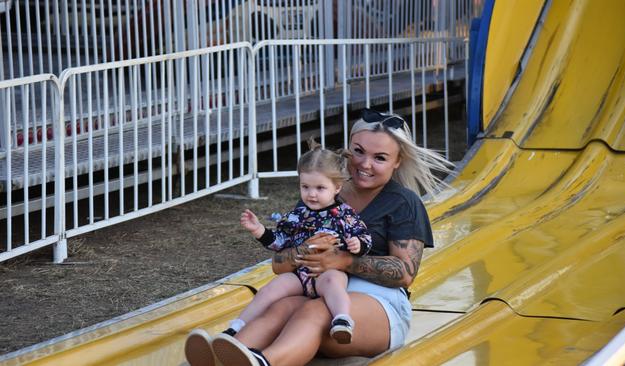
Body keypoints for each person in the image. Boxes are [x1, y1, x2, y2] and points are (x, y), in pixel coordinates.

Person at [184, 108, 452, 366]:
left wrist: (343, 261)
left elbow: (405, 272)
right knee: (282, 307)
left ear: (397, 162)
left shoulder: (403, 202)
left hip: (378, 303)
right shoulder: (322, 193)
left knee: (315, 311)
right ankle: (224, 356)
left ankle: (265, 362)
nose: (365, 164)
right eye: (358, 152)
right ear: (347, 150)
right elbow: (279, 265)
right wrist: (308, 249)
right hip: (316, 289)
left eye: (380, 157)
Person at [225, 141, 372, 344]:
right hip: (299, 273)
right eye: (305, 187)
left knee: (334, 284)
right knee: (271, 289)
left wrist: (358, 244)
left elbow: (364, 236)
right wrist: (259, 231)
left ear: (337, 187)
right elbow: (280, 242)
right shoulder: (296, 215)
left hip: (327, 272)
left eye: (320, 188)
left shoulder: (344, 215)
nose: (311, 194)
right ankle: (236, 327)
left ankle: (342, 320)